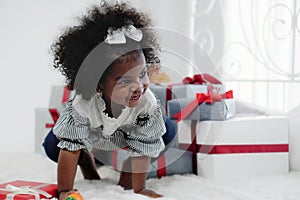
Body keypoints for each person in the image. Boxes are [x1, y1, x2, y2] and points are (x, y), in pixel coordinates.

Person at [42, 1, 176, 199]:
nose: (138, 86)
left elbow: (146, 144)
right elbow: (68, 150)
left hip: (129, 131)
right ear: (98, 85)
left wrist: (138, 189)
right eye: (124, 80)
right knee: (54, 145)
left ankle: (127, 172)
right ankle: (87, 162)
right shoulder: (83, 105)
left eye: (141, 74)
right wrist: (64, 190)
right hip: (95, 132)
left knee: (167, 130)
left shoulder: (146, 102)